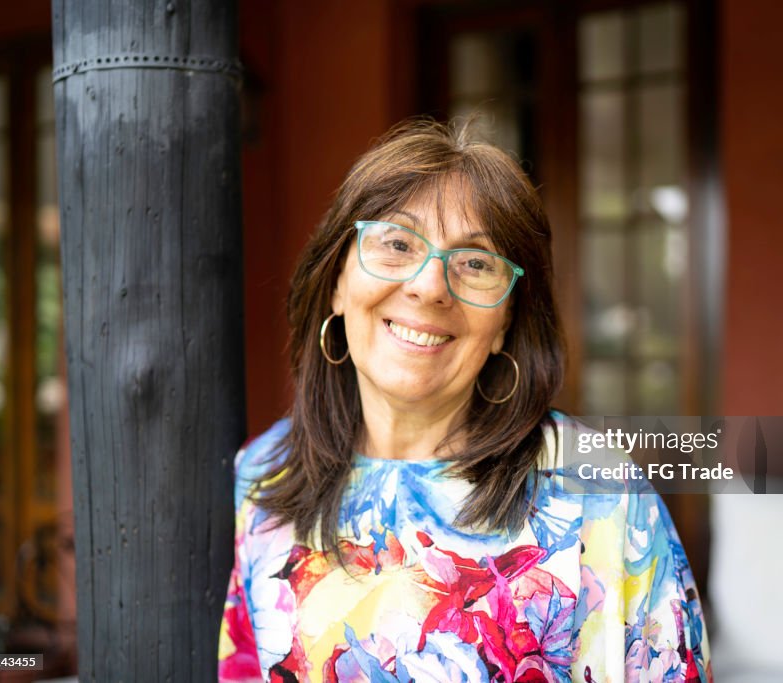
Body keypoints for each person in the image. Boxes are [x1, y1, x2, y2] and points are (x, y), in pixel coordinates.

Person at [218, 119, 711, 682]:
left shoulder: (597, 490)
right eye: (397, 243)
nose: (429, 287)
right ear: (336, 281)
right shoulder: (262, 479)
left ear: (504, 324)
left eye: (475, 263)